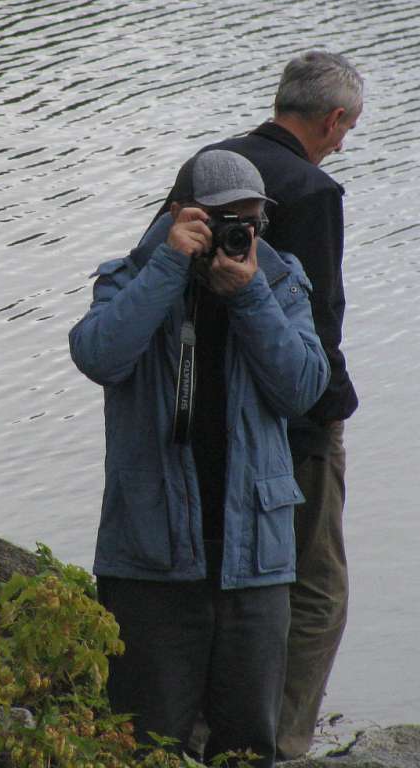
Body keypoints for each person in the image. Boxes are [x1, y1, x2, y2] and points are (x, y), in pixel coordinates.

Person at [68, 149, 330, 768]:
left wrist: (249, 297)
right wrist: (168, 264)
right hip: (152, 562)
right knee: (143, 746)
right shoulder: (132, 277)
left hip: (253, 561)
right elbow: (100, 356)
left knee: (246, 749)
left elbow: (303, 389)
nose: (240, 234)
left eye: (252, 220)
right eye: (223, 220)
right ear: (182, 215)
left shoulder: (278, 279)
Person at [174, 50, 363, 758]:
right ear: (333, 118)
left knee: (223, 576)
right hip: (290, 416)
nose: (342, 145)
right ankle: (279, 741)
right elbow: (321, 322)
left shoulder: (211, 165)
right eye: (345, 131)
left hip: (205, 405)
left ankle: (201, 729)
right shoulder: (312, 192)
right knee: (316, 588)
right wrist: (333, 409)